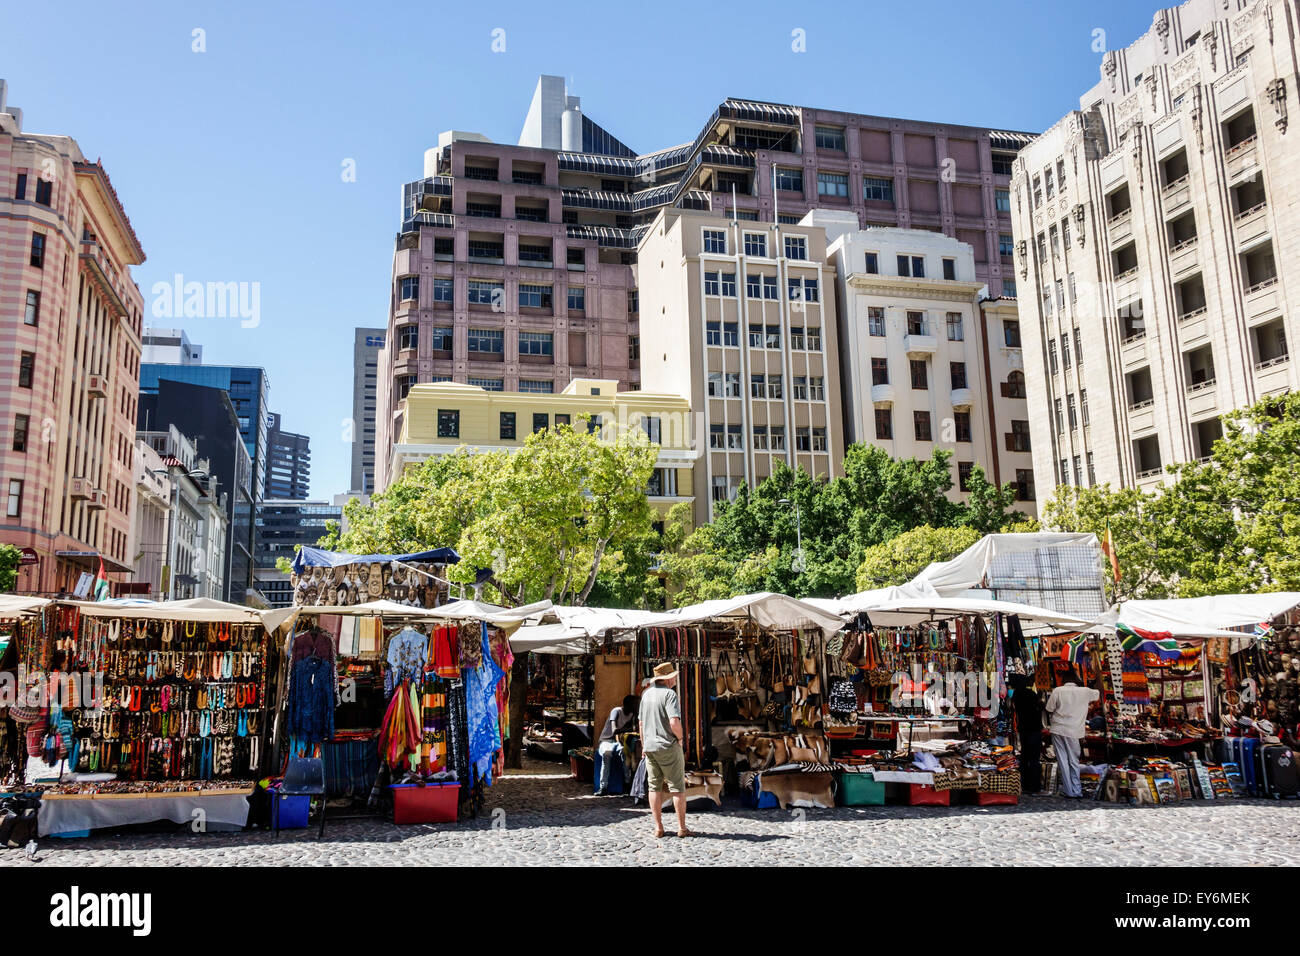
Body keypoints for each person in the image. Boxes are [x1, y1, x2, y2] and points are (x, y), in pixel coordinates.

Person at [638, 662, 695, 838]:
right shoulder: (670, 695)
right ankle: (682, 828)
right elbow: (674, 722)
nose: (676, 678)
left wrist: (643, 744)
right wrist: (680, 738)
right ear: (669, 678)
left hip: (650, 747)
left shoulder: (646, 695)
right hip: (668, 746)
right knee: (677, 787)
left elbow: (641, 723)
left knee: (654, 787)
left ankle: (658, 828)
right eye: (674, 676)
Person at [1046, 668, 1100, 799]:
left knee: (1063, 760)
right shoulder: (1085, 692)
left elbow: (1049, 708)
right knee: (1073, 760)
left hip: (1058, 729)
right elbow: (1098, 694)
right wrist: (1095, 679)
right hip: (1074, 730)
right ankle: (1076, 789)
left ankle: (1069, 790)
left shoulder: (1057, 691)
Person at [595, 694, 639, 796]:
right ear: (628, 705)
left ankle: (627, 783)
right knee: (607, 754)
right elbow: (615, 730)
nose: (637, 706)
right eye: (636, 704)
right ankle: (603, 787)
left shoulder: (632, 714)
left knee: (625, 753)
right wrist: (632, 729)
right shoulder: (616, 711)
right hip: (606, 740)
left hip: (618, 741)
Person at [1007, 673, 1043, 794]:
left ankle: (1025, 784)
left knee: (1025, 756)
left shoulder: (1016, 695)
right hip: (1033, 728)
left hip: (1023, 728)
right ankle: (1035, 786)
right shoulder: (1030, 694)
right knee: (1034, 758)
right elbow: (1040, 708)